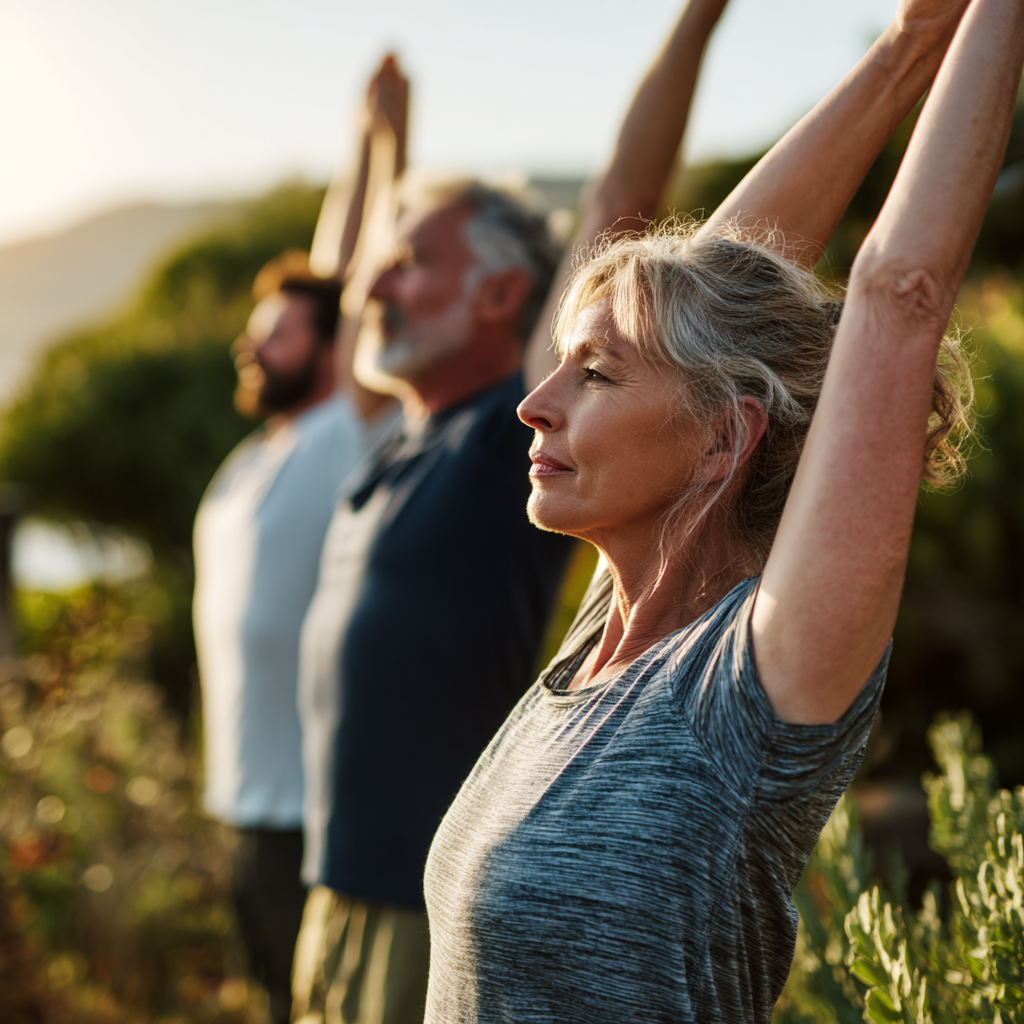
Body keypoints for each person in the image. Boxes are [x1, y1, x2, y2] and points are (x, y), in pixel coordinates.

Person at [422, 0, 1023, 1020]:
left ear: (722, 439)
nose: (535, 401)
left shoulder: (743, 686)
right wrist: (905, 48)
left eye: (594, 374)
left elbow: (899, 290)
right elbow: (715, 301)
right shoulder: (599, 646)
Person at [290, 3, 737, 1021]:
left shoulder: (513, 432)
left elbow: (622, 203)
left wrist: (698, 21)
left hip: (421, 907)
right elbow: (350, 281)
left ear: (499, 295)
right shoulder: (397, 437)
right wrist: (382, 144)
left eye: (410, 264)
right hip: (338, 894)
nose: (375, 290)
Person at [191, 56, 406, 1024]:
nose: (252, 345)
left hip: (310, 819)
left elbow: (350, 283)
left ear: (329, 351)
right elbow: (330, 281)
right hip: (242, 806)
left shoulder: (343, 437)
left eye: (274, 333)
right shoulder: (253, 459)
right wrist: (352, 139)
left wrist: (383, 150)